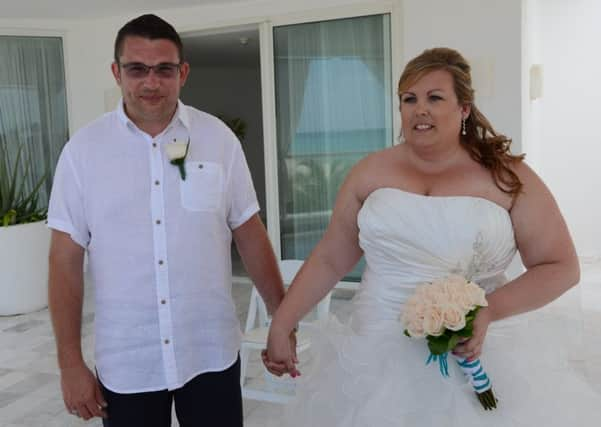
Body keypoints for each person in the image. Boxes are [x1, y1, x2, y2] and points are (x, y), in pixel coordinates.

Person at [263, 47, 601, 425]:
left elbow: (561, 266)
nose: (419, 109)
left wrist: (488, 312)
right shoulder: (369, 171)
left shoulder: (508, 176)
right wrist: (282, 323)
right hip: (375, 350)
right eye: (409, 99)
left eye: (434, 98)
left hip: (474, 350)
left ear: (464, 109)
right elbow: (330, 257)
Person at [47, 14, 293, 427]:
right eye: (137, 69)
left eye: (164, 69)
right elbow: (64, 261)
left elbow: (249, 232)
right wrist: (70, 364)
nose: (150, 82)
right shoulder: (83, 152)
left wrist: (280, 321)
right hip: (128, 361)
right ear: (117, 72)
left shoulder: (218, 140)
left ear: (183, 73)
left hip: (209, 351)